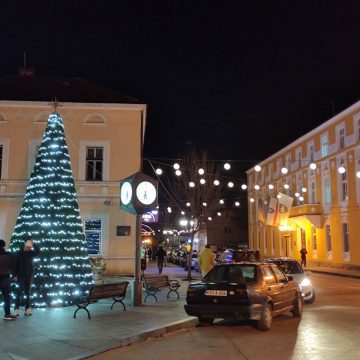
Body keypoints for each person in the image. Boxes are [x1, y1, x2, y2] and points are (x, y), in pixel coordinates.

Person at [13, 239, 40, 316]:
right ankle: (16, 309)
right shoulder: (18, 254)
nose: (28, 248)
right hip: (20, 276)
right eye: (27, 247)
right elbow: (15, 265)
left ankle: (27, 309)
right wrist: (15, 275)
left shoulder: (31, 253)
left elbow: (38, 251)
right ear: (24, 246)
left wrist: (34, 243)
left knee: (28, 293)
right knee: (19, 293)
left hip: (29, 276)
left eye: (29, 247)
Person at [0, 239, 17, 320]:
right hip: (5, 278)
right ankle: (7, 314)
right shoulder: (9, 255)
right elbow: (12, 266)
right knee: (6, 298)